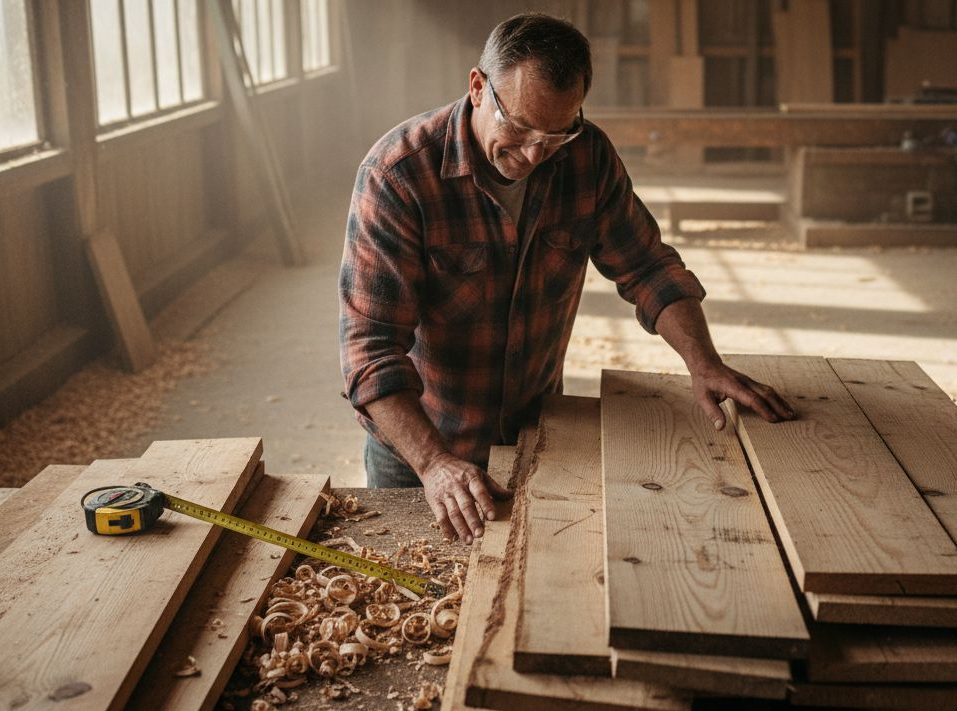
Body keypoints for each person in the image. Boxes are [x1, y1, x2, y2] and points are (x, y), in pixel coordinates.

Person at [339, 12, 794, 545]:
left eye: (556, 133)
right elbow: (369, 351)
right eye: (520, 128)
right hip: (423, 444)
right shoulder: (398, 175)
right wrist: (436, 463)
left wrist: (702, 361)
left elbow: (647, 266)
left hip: (536, 427)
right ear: (478, 87)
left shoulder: (587, 155)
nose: (534, 154)